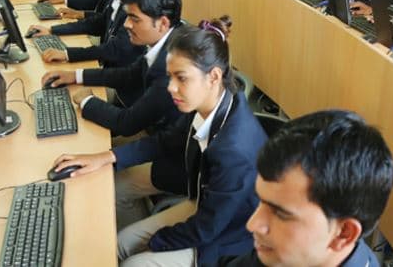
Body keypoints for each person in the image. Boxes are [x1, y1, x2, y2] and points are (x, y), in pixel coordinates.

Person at [50, 17, 265, 267]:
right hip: (205, 207)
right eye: (170, 77)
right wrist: (105, 157)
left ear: (214, 76)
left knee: (133, 262)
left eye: (181, 78)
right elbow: (164, 141)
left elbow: (206, 229)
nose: (171, 88)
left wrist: (155, 243)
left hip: (226, 238)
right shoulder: (211, 104)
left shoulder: (234, 151)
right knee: (120, 244)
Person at [219, 110, 393, 267]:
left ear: (344, 233)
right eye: (261, 201)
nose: (253, 224)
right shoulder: (284, 252)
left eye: (280, 214)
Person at [40, 0, 187, 137]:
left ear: (163, 23)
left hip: (163, 143)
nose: (126, 24)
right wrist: (75, 75)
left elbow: (127, 123)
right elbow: (130, 74)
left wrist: (88, 101)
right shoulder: (168, 39)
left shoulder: (169, 67)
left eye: (134, 19)